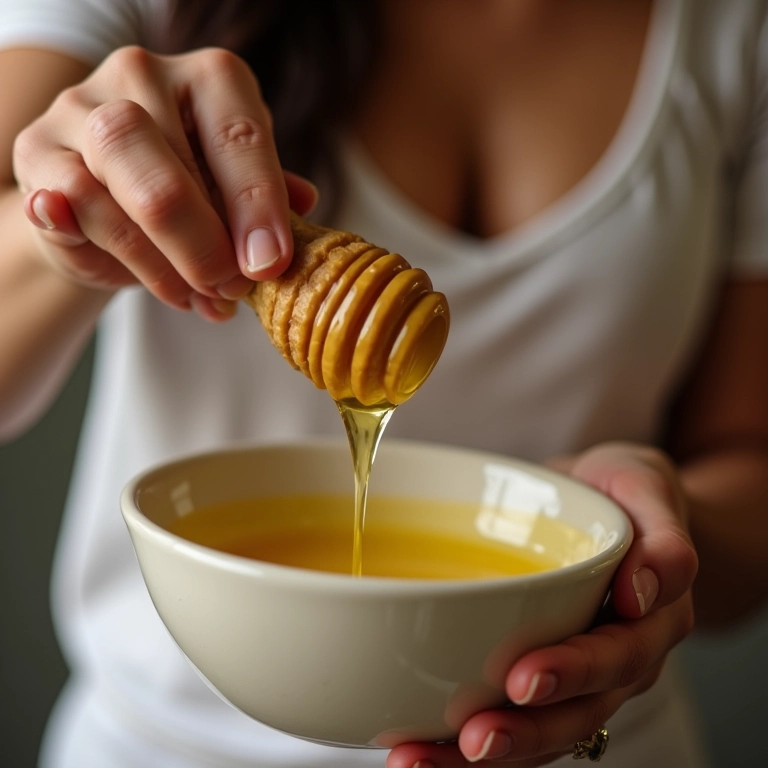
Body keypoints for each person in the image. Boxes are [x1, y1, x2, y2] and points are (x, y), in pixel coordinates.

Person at [0, 0, 766, 766]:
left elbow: (748, 462)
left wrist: (657, 531)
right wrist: (59, 236)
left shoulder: (739, 27)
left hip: (578, 735)